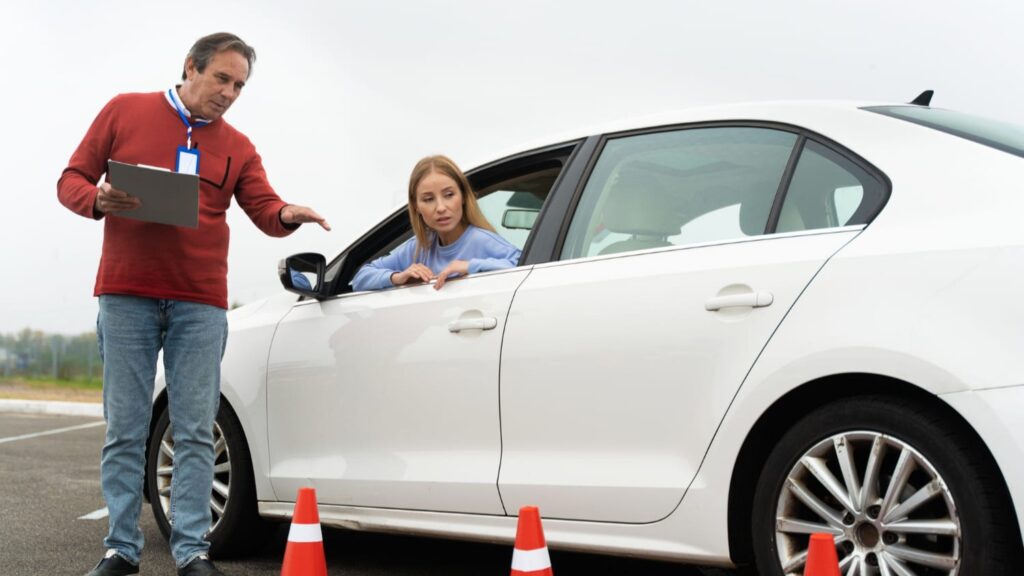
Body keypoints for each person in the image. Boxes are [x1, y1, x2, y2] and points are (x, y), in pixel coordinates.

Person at [57, 33, 329, 576]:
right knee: (127, 428)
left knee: (195, 428)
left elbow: (264, 206)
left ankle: (192, 551)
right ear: (190, 68)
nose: (229, 92)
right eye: (222, 79)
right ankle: (120, 550)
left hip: (200, 304)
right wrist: (98, 199)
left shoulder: (238, 146)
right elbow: (71, 180)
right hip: (126, 295)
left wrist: (287, 214)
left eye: (239, 86)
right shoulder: (124, 111)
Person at [352, 155, 521, 291]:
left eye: (449, 195)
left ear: (462, 197)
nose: (440, 208)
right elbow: (360, 278)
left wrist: (469, 266)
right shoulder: (418, 247)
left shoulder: (481, 239)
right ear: (416, 206)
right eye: (428, 199)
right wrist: (398, 277)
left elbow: (526, 264)